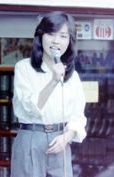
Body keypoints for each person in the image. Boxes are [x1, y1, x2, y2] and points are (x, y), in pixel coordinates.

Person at [11, 11, 87, 177]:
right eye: (51, 34)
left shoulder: (72, 75)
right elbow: (30, 107)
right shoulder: (24, 68)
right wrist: (53, 81)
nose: (56, 41)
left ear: (69, 41)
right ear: (40, 36)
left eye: (63, 36)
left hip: (59, 141)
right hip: (31, 137)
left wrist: (67, 136)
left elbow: (78, 116)